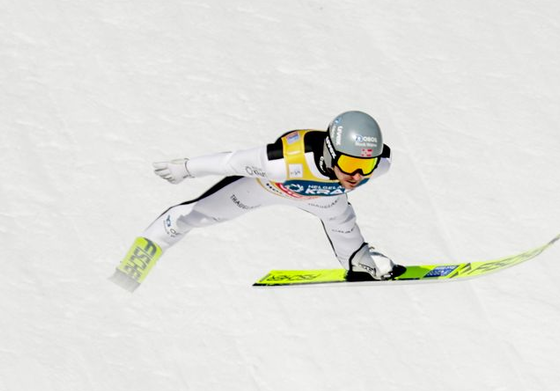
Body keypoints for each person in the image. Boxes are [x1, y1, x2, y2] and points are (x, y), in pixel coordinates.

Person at [111, 110, 403, 291]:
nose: (356, 175)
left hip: (323, 197)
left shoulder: (379, 165)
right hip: (265, 188)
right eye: (350, 163)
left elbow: (352, 187)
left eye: (365, 167)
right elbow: (232, 162)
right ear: (328, 151)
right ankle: (129, 272)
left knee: (341, 220)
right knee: (187, 217)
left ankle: (357, 260)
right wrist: (186, 168)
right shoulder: (283, 162)